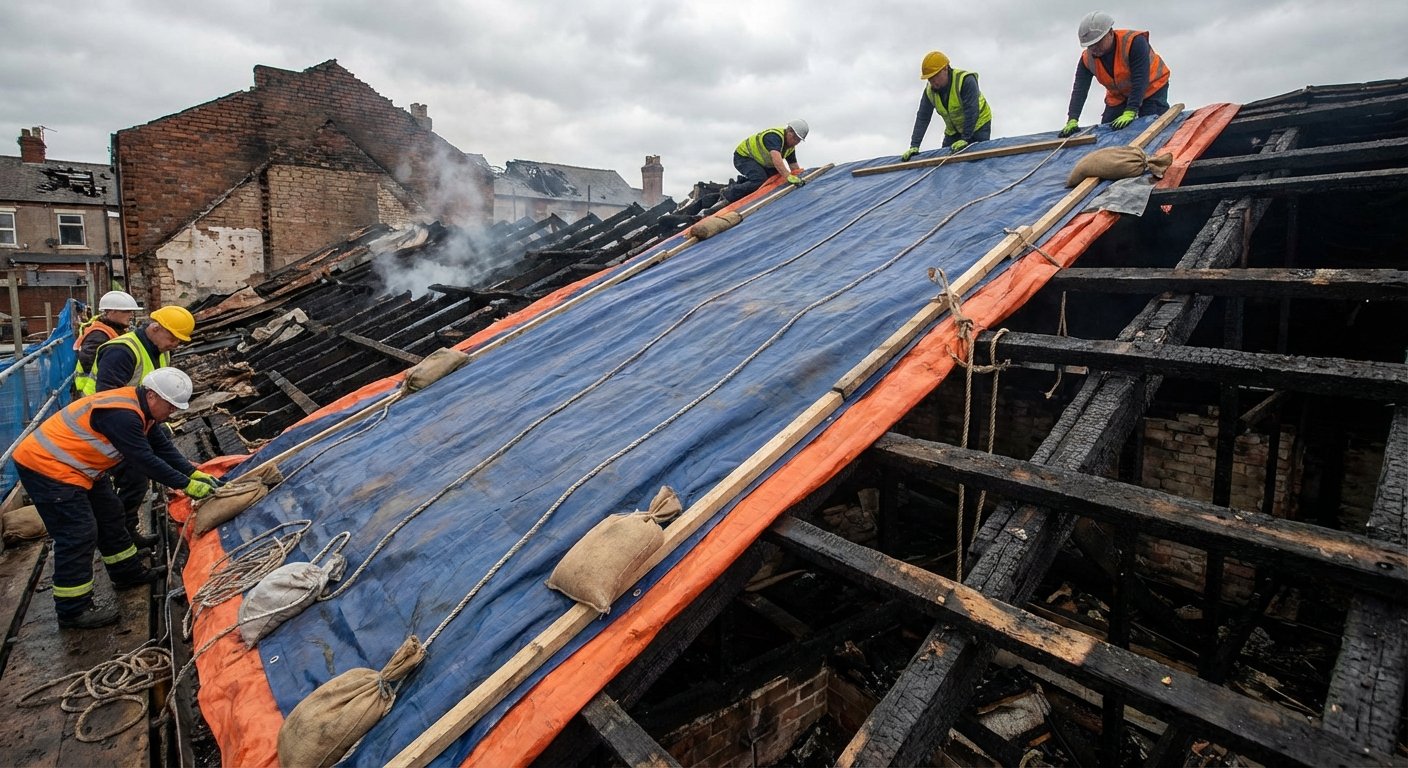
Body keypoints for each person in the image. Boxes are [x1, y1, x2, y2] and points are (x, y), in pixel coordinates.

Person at [12, 368, 218, 628]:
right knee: (78, 532)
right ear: (152, 395)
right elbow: (144, 460)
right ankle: (73, 610)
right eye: (170, 406)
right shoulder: (122, 415)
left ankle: (126, 573)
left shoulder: (144, 411)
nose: (173, 412)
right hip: (46, 467)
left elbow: (162, 448)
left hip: (81, 467)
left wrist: (193, 473)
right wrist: (186, 485)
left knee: (111, 514)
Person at [93, 304, 196, 546]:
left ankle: (125, 533)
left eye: (179, 341)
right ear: (155, 327)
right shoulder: (122, 351)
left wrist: (190, 473)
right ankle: (119, 537)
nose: (175, 345)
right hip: (108, 428)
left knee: (138, 479)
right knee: (134, 477)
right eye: (172, 338)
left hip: (137, 421)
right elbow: (108, 399)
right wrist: (186, 482)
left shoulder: (160, 350)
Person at [1059, 11, 1171, 137]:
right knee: (1107, 132)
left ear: (1110, 33)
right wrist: (1073, 119)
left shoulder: (1133, 42)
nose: (1094, 48)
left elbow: (1140, 79)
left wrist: (1131, 110)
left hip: (1151, 89)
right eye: (1090, 45)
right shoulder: (1087, 59)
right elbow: (1080, 89)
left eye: (1098, 42)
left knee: (1151, 127)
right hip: (1119, 96)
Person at [901, 51, 993, 161]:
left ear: (945, 69)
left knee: (977, 160)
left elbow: (972, 110)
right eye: (929, 79)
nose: (932, 82)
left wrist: (965, 138)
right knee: (945, 162)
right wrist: (914, 145)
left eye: (935, 76)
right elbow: (923, 117)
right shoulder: (930, 92)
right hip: (954, 130)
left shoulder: (965, 80)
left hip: (978, 125)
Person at [719, 120, 809, 204]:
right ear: (789, 131)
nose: (795, 142)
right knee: (759, 180)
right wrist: (788, 176)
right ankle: (728, 194)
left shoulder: (790, 147)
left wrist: (800, 178)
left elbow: (793, 166)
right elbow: (777, 160)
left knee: (777, 179)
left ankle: (741, 184)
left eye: (798, 140)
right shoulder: (774, 137)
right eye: (795, 138)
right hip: (744, 157)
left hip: (760, 162)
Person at [73, 291, 141, 397]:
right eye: (127, 311)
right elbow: (90, 363)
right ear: (112, 311)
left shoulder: (114, 330)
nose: (131, 315)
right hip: (93, 392)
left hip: (101, 390)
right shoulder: (99, 335)